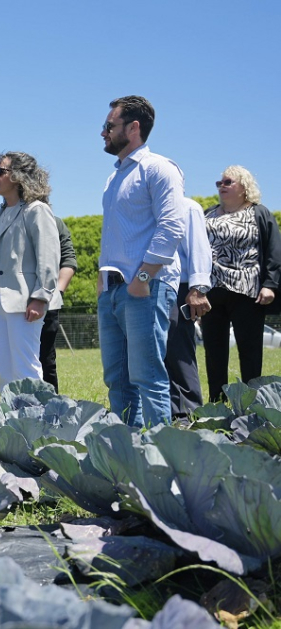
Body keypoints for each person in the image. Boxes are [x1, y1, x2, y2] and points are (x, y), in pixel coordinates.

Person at [98, 95, 186, 428]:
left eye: (109, 125)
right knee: (117, 381)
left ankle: (160, 459)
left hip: (145, 290)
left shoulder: (159, 168)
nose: (103, 132)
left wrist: (143, 280)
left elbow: (172, 226)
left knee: (148, 378)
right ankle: (130, 455)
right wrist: (102, 286)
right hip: (113, 293)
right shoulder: (114, 177)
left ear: (134, 127)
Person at [0, 152, 61, 390]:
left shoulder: (37, 210)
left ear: (18, 177)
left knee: (25, 368)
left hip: (25, 303)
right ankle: (9, 423)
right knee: (4, 370)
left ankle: (35, 422)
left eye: (0, 171)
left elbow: (49, 257)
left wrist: (40, 297)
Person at [201, 166, 281, 402]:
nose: (221, 186)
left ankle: (250, 406)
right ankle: (216, 404)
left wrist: (270, 285)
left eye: (227, 182)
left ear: (244, 187)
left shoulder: (259, 213)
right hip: (212, 291)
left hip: (248, 292)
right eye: (219, 183)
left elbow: (274, 252)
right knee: (214, 353)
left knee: (250, 352)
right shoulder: (208, 215)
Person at [163, 198, 211, 418]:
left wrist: (197, 289)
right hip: (150, 286)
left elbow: (199, 248)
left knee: (178, 353)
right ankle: (165, 411)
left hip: (180, 287)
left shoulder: (187, 207)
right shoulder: (147, 206)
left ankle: (187, 414)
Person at [38, 216, 77, 393]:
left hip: (47, 302)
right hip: (13, 302)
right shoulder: (7, 219)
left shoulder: (54, 223)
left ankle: (50, 409)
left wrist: (57, 292)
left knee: (46, 359)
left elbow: (69, 259)